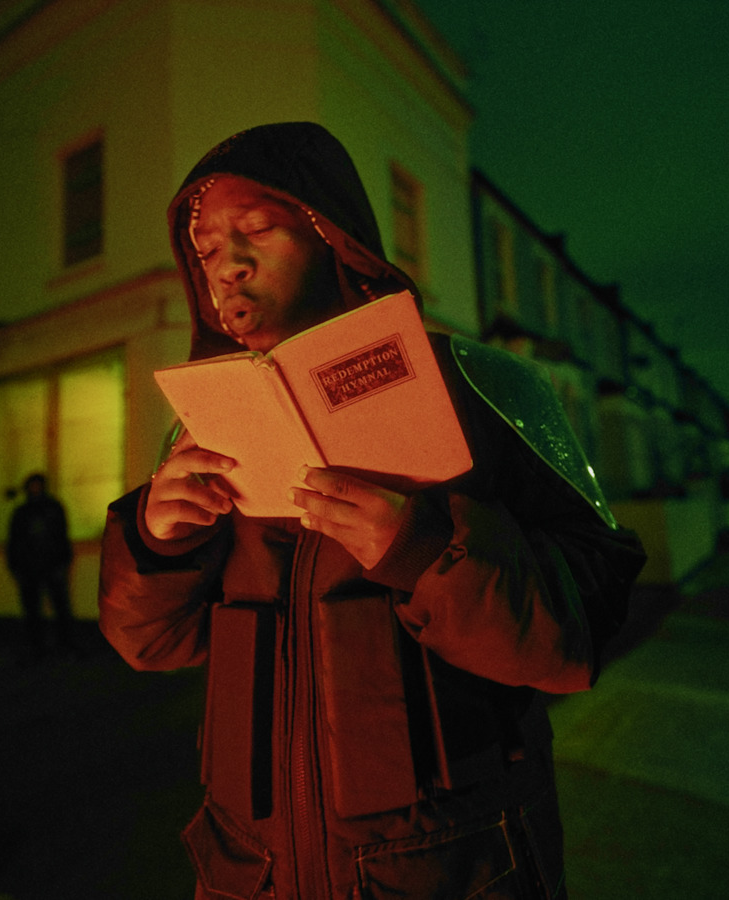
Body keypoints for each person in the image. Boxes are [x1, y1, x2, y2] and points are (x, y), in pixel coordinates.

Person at [99, 122, 645, 900]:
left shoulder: (483, 384)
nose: (229, 265)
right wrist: (156, 546)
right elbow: (150, 644)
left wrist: (428, 555)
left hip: (450, 868)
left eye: (256, 229)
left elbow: (586, 623)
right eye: (209, 251)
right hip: (249, 871)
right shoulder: (201, 427)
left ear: (331, 234)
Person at [6, 472, 79, 659]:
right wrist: (15, 566)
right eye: (33, 485)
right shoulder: (22, 512)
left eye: (37, 485)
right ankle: (37, 646)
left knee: (60, 607)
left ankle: (66, 644)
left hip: (52, 565)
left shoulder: (53, 508)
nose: (35, 489)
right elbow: (14, 541)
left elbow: (62, 536)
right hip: (30, 568)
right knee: (32, 610)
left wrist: (63, 562)